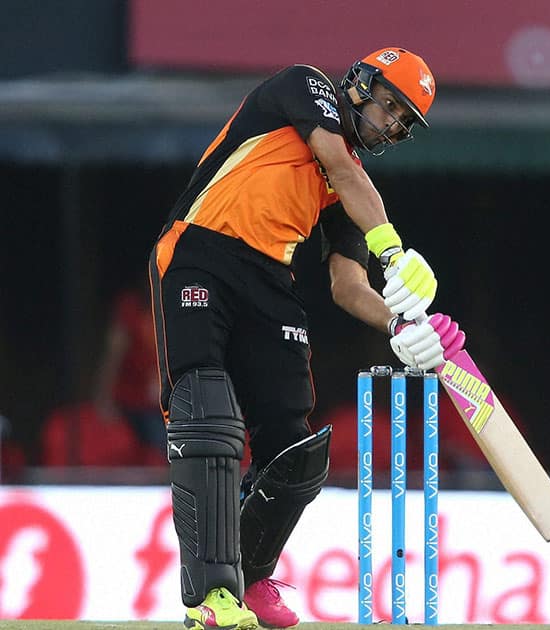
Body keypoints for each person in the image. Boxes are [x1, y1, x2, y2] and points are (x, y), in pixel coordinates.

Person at [149, 48, 466, 630]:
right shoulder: (304, 87)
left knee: (294, 447)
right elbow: (338, 166)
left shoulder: (356, 190)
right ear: (360, 84)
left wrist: (401, 325)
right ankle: (212, 597)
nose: (392, 122)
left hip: (270, 279)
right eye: (390, 103)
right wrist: (393, 250)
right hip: (200, 252)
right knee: (208, 416)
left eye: (404, 120)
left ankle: (251, 575)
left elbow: (348, 287)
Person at [93, 274, 165, 456]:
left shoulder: (174, 308)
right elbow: (113, 356)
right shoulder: (131, 308)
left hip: (165, 402)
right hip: (133, 403)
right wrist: (104, 398)